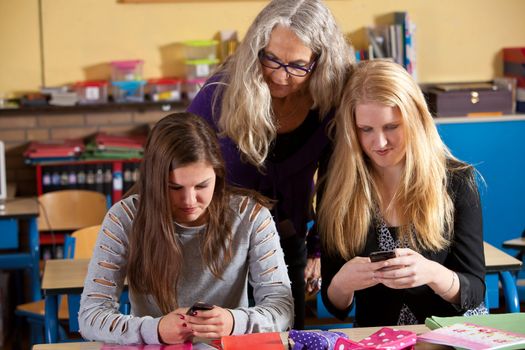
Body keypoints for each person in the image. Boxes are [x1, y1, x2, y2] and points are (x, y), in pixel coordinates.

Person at [187, 0, 353, 329]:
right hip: (218, 246)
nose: (279, 75)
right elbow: (181, 162)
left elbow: (336, 180)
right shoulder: (219, 94)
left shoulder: (329, 102)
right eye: (271, 58)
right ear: (258, 48)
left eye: (296, 65)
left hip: (287, 243)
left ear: (320, 62)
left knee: (285, 334)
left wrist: (319, 248)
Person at [78, 112, 293, 345]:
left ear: (218, 175)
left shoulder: (251, 216)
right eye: (174, 187)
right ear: (153, 182)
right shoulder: (124, 218)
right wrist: (156, 329)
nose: (189, 200)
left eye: (202, 185)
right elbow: (91, 317)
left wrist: (233, 322)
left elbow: (282, 309)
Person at [318, 60, 486, 327]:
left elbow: (475, 291)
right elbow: (334, 306)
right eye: (366, 130)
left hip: (448, 337)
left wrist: (432, 273)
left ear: (415, 119)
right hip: (377, 339)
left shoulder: (456, 181)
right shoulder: (338, 187)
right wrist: (342, 282)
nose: (380, 143)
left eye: (391, 127)